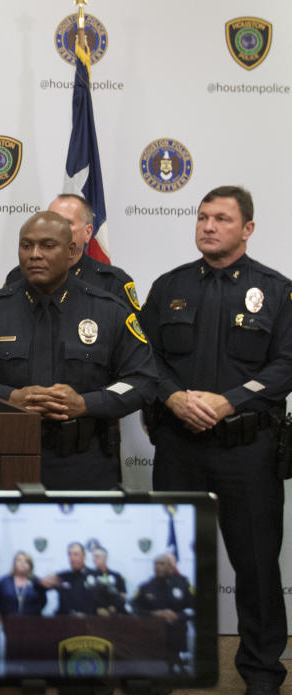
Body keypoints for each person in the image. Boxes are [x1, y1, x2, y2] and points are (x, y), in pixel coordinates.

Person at [140, 185, 291, 695]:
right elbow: (145, 360)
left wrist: (230, 400)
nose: (208, 226)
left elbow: (285, 365)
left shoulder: (277, 290)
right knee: (169, 564)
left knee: (255, 565)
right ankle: (165, 662)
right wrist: (175, 397)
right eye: (203, 217)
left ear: (247, 229)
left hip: (248, 450)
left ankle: (264, 673)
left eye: (222, 219)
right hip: (180, 446)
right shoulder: (168, 287)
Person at [0, 211, 157, 489]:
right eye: (26, 245)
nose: (34, 254)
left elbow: (143, 379)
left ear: (70, 251)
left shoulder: (108, 310)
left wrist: (86, 403)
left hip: (86, 462)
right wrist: (8, 397)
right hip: (6, 456)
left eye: (47, 245)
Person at [6, 194, 140, 314]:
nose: (55, 229)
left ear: (87, 232)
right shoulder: (17, 276)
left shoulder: (113, 283)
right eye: (50, 221)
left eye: (66, 223)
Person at [131, 553, 194, 671]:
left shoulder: (183, 584)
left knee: (174, 674)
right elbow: (133, 608)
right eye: (155, 564)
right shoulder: (145, 587)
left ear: (170, 567)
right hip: (152, 639)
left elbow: (194, 608)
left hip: (177, 638)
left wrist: (178, 616)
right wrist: (154, 614)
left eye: (161, 564)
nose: (157, 567)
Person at [41, 542, 97, 615]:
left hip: (89, 621)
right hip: (65, 622)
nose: (72, 558)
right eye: (70, 554)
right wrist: (41, 583)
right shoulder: (62, 576)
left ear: (84, 556)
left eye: (76, 554)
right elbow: (39, 588)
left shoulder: (95, 575)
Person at [0, 551, 47, 616]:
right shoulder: (4, 581)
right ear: (14, 564)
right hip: (8, 620)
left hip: (32, 620)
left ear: (30, 565)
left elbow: (43, 602)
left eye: (26, 561)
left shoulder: (37, 582)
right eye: (19, 560)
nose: (22, 564)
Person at [90, 547, 127, 615]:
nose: (94, 559)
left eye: (97, 556)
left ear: (105, 558)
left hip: (115, 614)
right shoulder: (90, 576)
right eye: (93, 557)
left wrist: (114, 607)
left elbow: (123, 595)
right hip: (95, 614)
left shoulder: (116, 576)